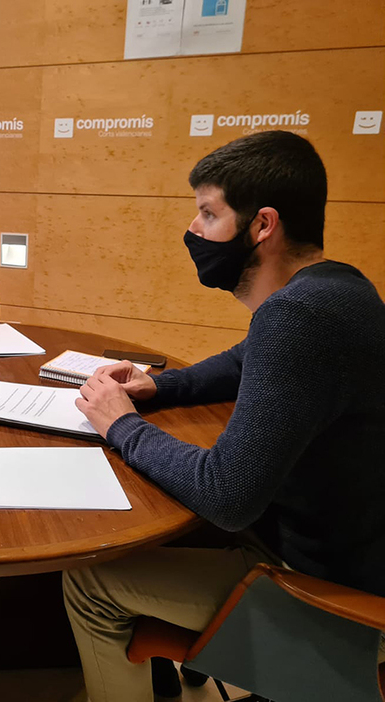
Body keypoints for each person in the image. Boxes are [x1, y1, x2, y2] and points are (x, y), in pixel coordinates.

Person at [63, 130, 385, 702]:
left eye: (209, 214)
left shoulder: (298, 317)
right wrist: (158, 385)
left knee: (89, 582)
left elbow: (228, 495)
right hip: (352, 553)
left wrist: (121, 425)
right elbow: (245, 358)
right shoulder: (338, 288)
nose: (194, 229)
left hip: (326, 593)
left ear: (262, 225)